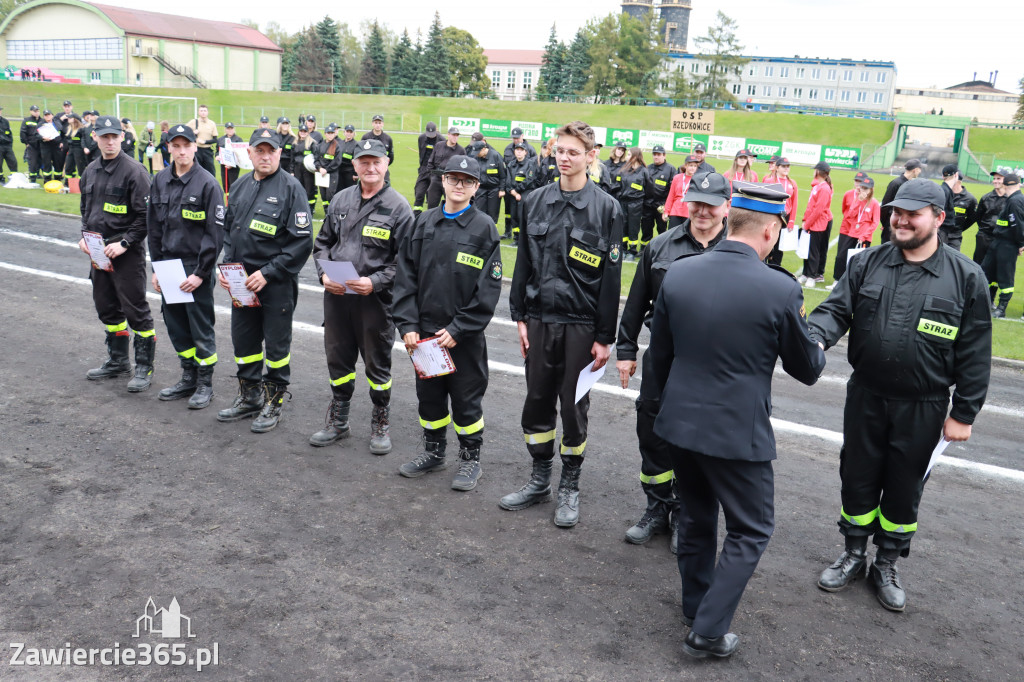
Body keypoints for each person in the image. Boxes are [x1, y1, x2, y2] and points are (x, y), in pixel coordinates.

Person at [647, 181, 825, 659]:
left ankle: (694, 606)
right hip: (737, 432)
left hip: (679, 422)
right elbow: (807, 370)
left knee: (698, 519)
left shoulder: (680, 274)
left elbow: (657, 358)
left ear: (730, 221)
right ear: (771, 231)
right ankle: (706, 630)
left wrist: (658, 414)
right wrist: (819, 340)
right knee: (751, 529)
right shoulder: (779, 287)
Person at [808, 178, 992, 612]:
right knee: (857, 474)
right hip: (866, 396)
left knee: (904, 487)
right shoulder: (867, 262)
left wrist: (963, 413)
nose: (901, 219)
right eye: (896, 212)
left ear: (939, 219)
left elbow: (976, 351)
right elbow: (835, 310)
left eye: (913, 213)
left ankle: (886, 561)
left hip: (924, 405)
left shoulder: (967, 278)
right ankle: (854, 553)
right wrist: (814, 338)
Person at [501, 120, 624, 528]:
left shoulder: (607, 208)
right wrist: (518, 315)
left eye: (574, 151)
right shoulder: (534, 200)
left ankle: (570, 485)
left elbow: (611, 281)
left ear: (591, 156)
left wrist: (605, 337)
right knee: (536, 401)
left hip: (581, 326)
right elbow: (523, 264)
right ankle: (539, 479)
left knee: (573, 407)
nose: (564, 158)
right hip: (538, 321)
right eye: (560, 150)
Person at [616, 171, 730, 551]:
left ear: (725, 207)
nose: (702, 210)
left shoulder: (737, 250)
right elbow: (635, 303)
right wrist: (626, 351)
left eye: (710, 204)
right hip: (663, 359)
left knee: (697, 440)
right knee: (652, 432)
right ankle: (656, 507)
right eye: (696, 201)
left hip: (712, 365)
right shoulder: (661, 246)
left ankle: (684, 511)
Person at [393, 154, 502, 489]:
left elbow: (489, 286)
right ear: (442, 181)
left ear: (476, 187)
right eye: (453, 178)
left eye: (467, 181)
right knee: (430, 396)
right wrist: (408, 325)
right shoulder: (423, 222)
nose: (459, 185)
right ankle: (434, 451)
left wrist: (459, 328)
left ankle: (470, 460)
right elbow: (405, 277)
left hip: (462, 338)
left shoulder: (484, 228)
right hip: (424, 335)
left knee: (467, 399)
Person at [309, 138, 414, 453]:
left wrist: (376, 282)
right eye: (363, 161)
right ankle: (338, 421)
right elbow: (323, 243)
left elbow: (407, 262)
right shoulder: (340, 200)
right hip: (338, 297)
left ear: (386, 164)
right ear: (354, 165)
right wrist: (324, 274)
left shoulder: (399, 207)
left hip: (375, 303)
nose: (370, 167)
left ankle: (380, 422)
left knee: (377, 365)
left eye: (376, 161)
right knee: (338, 359)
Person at [216, 129, 314, 433]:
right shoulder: (242, 184)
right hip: (242, 284)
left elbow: (301, 243)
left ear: (280, 153)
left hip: (276, 284)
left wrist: (268, 273)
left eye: (271, 151)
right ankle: (250, 396)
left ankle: (273, 402)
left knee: (276, 346)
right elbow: (230, 231)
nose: (265, 156)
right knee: (244, 342)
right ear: (250, 154)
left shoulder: (291, 188)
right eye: (259, 151)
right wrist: (226, 267)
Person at [147, 124, 225, 409]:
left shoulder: (207, 183)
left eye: (187, 145)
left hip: (195, 267)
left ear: (195, 147)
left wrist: (201, 274)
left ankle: (205, 383)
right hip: (169, 266)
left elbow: (214, 235)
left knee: (200, 326)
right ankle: (188, 376)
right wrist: (156, 267)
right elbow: (153, 227)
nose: (181, 151)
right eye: (176, 145)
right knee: (177, 325)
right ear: (169, 147)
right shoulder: (159, 180)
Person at [76, 117, 156, 392]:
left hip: (126, 254)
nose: (109, 141)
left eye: (114, 136)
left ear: (122, 137)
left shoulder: (135, 171)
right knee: (106, 306)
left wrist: (124, 242)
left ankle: (144, 367)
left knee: (135, 309)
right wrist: (85, 237)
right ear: (95, 138)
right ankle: (119, 361)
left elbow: (147, 216)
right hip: (98, 252)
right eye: (104, 137)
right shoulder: (90, 170)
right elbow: (86, 209)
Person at [982, 173, 1024, 318]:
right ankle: (985, 302)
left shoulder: (1015, 201)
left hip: (1007, 244)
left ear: (1005, 185)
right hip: (998, 242)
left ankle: (1001, 308)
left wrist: (1020, 243)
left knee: (1005, 276)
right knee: (987, 272)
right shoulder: (1013, 199)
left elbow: (1017, 225)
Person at [831, 177, 880, 285]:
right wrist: (858, 201)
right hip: (852, 233)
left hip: (864, 237)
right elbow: (849, 215)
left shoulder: (875, 203)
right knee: (841, 256)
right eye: (862, 188)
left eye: (866, 189)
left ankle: (855, 283)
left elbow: (875, 222)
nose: (864, 191)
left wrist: (864, 235)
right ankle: (837, 280)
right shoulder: (857, 200)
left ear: (871, 189)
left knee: (859, 262)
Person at [799, 161, 834, 286]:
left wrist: (807, 224)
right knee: (806, 249)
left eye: (815, 170)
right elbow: (811, 206)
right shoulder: (818, 186)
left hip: (818, 224)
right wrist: (805, 220)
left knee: (814, 251)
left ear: (819, 172)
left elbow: (818, 209)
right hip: (812, 222)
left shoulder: (824, 188)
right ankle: (806, 273)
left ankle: (812, 276)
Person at [765, 158, 799, 266]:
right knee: (767, 240)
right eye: (783, 166)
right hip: (771, 215)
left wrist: (792, 221)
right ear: (777, 167)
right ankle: (764, 263)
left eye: (788, 166)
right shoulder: (769, 181)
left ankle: (776, 267)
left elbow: (794, 203)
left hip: (785, 216)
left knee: (780, 245)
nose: (786, 168)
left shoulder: (792, 183)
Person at [879, 159, 923, 243]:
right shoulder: (895, 183)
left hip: (904, 225)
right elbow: (885, 205)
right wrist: (885, 223)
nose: (920, 171)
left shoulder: (910, 184)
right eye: (920, 169)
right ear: (915, 169)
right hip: (891, 225)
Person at [641, 145, 677, 246]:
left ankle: (661, 248)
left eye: (659, 154)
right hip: (648, 205)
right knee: (646, 228)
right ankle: (644, 247)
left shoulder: (670, 169)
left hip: (662, 205)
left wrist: (667, 206)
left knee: (662, 229)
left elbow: (672, 190)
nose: (656, 157)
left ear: (664, 155)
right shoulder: (648, 168)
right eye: (654, 154)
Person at [466, 135, 506, 226]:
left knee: (493, 213)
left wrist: (502, 189)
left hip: (494, 189)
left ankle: (491, 232)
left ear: (484, 149)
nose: (476, 154)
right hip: (481, 189)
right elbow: (473, 175)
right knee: (479, 211)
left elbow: (503, 175)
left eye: (478, 152)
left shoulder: (495, 156)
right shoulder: (476, 158)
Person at [502, 127, 537, 226]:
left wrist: (517, 190)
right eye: (514, 138)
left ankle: (522, 236)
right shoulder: (508, 149)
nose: (515, 140)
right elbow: (507, 173)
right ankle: (511, 233)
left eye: (517, 137)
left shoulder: (530, 150)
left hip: (524, 190)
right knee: (511, 212)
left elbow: (531, 175)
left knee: (521, 213)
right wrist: (511, 190)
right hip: (511, 190)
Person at [973, 169, 1008, 266]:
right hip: (984, 237)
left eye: (999, 178)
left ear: (1005, 180)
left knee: (998, 267)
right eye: (994, 178)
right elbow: (978, 217)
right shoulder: (986, 198)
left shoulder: (1011, 200)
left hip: (1002, 239)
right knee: (978, 265)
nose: (995, 181)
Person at [617, 147, 647, 261]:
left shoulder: (643, 171)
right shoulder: (625, 169)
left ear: (635, 157)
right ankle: (623, 249)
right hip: (623, 202)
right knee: (623, 226)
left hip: (636, 204)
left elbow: (649, 189)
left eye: (629, 154)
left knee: (633, 228)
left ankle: (632, 251)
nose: (627, 156)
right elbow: (619, 184)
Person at [424, 127, 465, 209]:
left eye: (457, 135)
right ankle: (431, 221)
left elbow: (463, 169)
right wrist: (432, 177)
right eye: (453, 135)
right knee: (431, 206)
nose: (455, 137)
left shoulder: (461, 151)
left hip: (451, 181)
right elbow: (431, 161)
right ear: (448, 135)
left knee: (450, 207)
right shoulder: (439, 145)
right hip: (436, 179)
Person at [505, 142, 538, 241]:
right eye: (517, 150)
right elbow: (508, 181)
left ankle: (524, 238)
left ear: (525, 152)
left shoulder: (530, 164)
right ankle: (516, 237)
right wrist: (513, 192)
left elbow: (529, 179)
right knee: (513, 215)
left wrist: (517, 190)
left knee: (521, 215)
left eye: (521, 150)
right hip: (513, 193)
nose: (519, 152)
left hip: (525, 192)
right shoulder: (511, 164)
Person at [664, 155, 699, 224]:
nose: (693, 168)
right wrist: (666, 211)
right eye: (691, 165)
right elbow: (671, 195)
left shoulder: (697, 180)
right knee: (673, 234)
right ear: (686, 166)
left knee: (686, 234)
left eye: (695, 166)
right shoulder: (677, 178)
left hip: (689, 213)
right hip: (675, 211)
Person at [948, 172, 977, 253]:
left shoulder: (970, 199)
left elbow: (972, 218)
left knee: (952, 260)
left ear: (958, 181)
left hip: (955, 237)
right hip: (939, 234)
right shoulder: (944, 193)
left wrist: (959, 228)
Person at [314, 123, 343, 205]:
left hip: (331, 174)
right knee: (323, 196)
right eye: (328, 133)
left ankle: (330, 214)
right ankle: (326, 213)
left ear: (334, 134)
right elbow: (316, 159)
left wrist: (326, 169)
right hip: (321, 173)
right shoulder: (319, 146)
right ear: (325, 134)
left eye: (332, 133)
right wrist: (319, 168)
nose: (330, 135)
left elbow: (337, 161)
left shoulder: (337, 146)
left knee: (330, 195)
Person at [292, 124, 318, 212]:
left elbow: (316, 157)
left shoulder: (312, 143)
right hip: (297, 169)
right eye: (301, 131)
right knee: (298, 189)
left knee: (309, 190)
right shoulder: (295, 143)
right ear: (299, 132)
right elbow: (292, 158)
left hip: (308, 170)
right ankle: (299, 207)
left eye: (305, 131)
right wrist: (291, 171)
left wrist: (315, 168)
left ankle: (310, 209)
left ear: (307, 132)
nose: (303, 133)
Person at [186, 104, 218, 177]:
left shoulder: (212, 123)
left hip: (207, 151)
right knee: (195, 171)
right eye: (201, 111)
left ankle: (210, 187)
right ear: (198, 112)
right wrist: (193, 133)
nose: (203, 112)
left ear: (207, 112)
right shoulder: (193, 122)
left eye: (205, 111)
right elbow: (184, 132)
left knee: (210, 172)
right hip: (197, 150)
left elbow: (215, 139)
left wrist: (205, 142)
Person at [414, 121, 439, 212]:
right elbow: (421, 153)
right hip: (424, 169)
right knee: (419, 193)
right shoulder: (421, 138)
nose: (431, 136)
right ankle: (416, 215)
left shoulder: (442, 140)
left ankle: (429, 216)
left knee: (432, 197)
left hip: (435, 171)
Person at [215, 122, 244, 198]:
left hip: (233, 167)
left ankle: (233, 202)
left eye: (231, 128)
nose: (230, 130)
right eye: (228, 128)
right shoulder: (221, 139)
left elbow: (240, 154)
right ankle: (227, 203)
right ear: (225, 129)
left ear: (234, 129)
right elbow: (217, 151)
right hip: (224, 166)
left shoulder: (238, 140)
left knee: (233, 185)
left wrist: (232, 164)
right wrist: (217, 156)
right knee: (225, 185)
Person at [38, 110, 62, 183]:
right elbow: (35, 135)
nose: (47, 116)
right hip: (46, 146)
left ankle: (58, 179)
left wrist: (62, 142)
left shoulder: (57, 123)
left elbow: (63, 133)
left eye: (49, 115)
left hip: (56, 146)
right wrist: (43, 138)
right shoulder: (40, 124)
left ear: (52, 115)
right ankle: (47, 180)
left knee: (57, 163)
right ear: (44, 116)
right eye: (46, 115)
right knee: (47, 163)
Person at [61, 114, 87, 181]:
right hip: (71, 149)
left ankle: (82, 184)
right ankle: (67, 184)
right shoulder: (69, 128)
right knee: (68, 167)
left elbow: (83, 140)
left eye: (70, 118)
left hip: (79, 150)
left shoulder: (81, 129)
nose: (68, 119)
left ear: (75, 119)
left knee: (80, 167)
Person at [336, 124, 359, 191]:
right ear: (344, 132)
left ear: (354, 133)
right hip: (339, 172)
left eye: (350, 132)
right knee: (339, 192)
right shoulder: (339, 143)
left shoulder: (356, 145)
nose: (349, 134)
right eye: (347, 132)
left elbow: (357, 160)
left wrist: (356, 174)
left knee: (350, 192)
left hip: (350, 173)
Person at [0, 105, 18, 183]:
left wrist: (9, 145)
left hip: (7, 146)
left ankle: (14, 178)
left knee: (13, 162)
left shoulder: (5, 121)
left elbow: (9, 134)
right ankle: (1, 179)